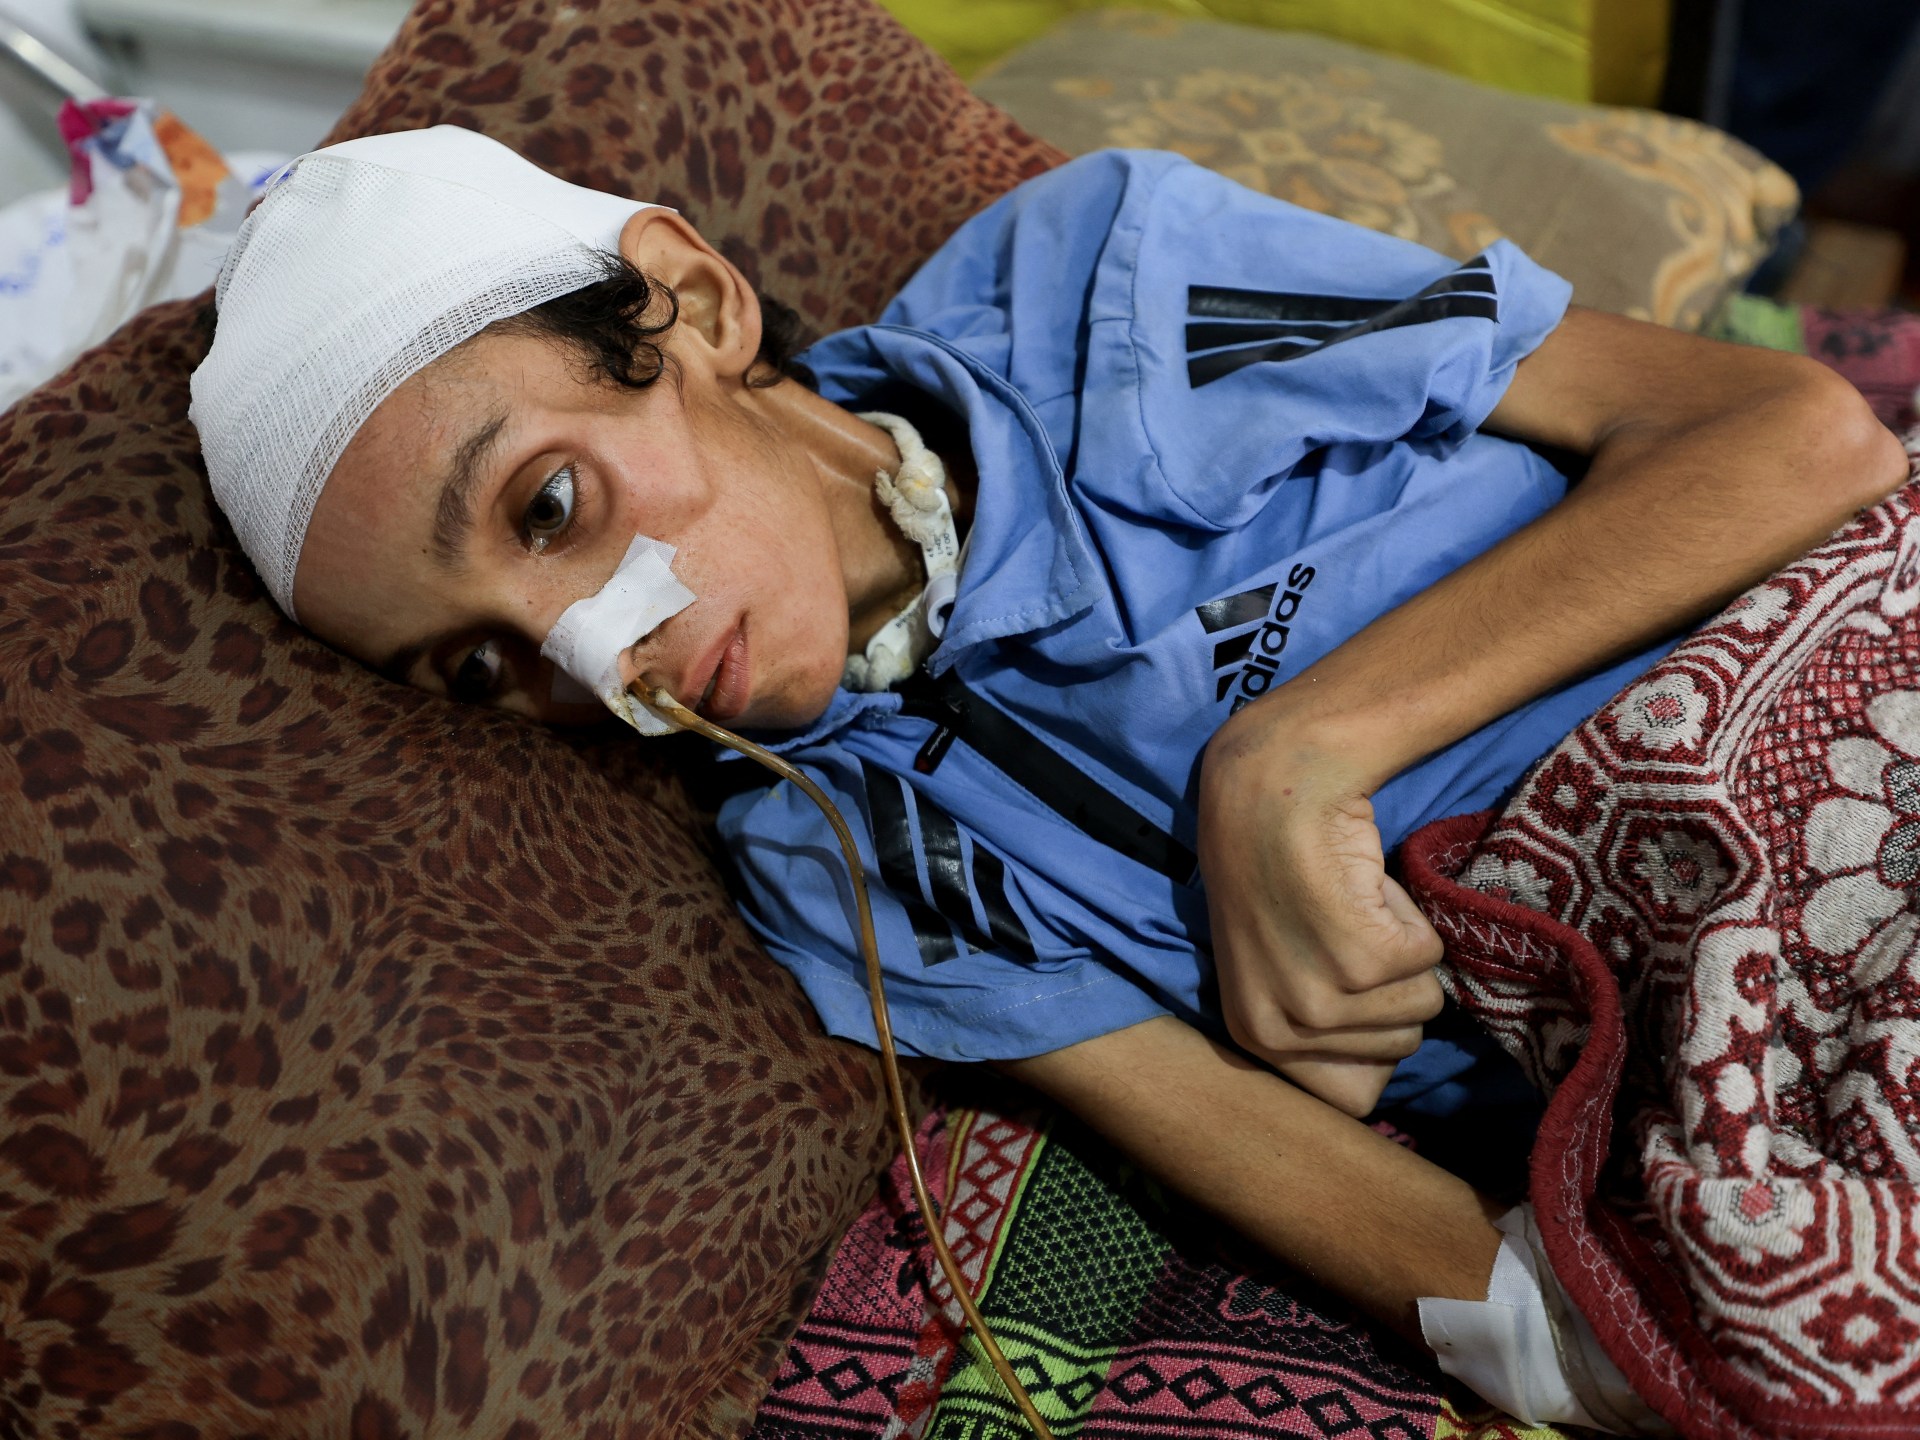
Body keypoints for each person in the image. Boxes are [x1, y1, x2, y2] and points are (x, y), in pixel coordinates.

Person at [190, 126, 1905, 1432]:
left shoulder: (1102, 292)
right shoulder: (835, 858)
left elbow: (1796, 438)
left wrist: (1294, 759)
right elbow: (1450, 1272)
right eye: (477, 666)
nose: (589, 659)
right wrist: (1609, 1337)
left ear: (693, 304)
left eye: (550, 507)